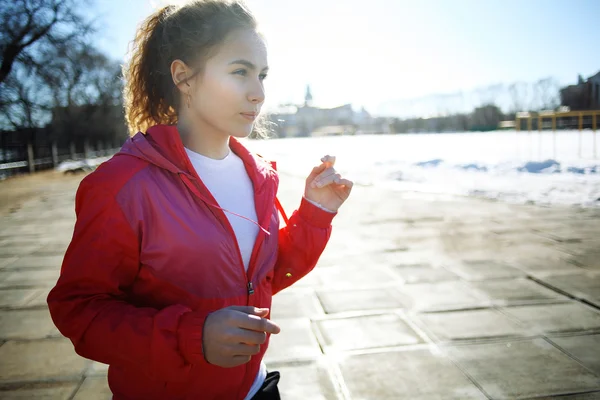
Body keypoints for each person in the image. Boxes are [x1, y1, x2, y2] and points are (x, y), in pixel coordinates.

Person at [46, 1, 353, 399]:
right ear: (184, 77)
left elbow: (265, 278)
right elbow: (79, 309)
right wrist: (194, 336)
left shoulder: (261, 175)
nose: (258, 93)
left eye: (262, 75)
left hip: (257, 388)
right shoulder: (123, 185)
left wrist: (315, 212)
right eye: (240, 72)